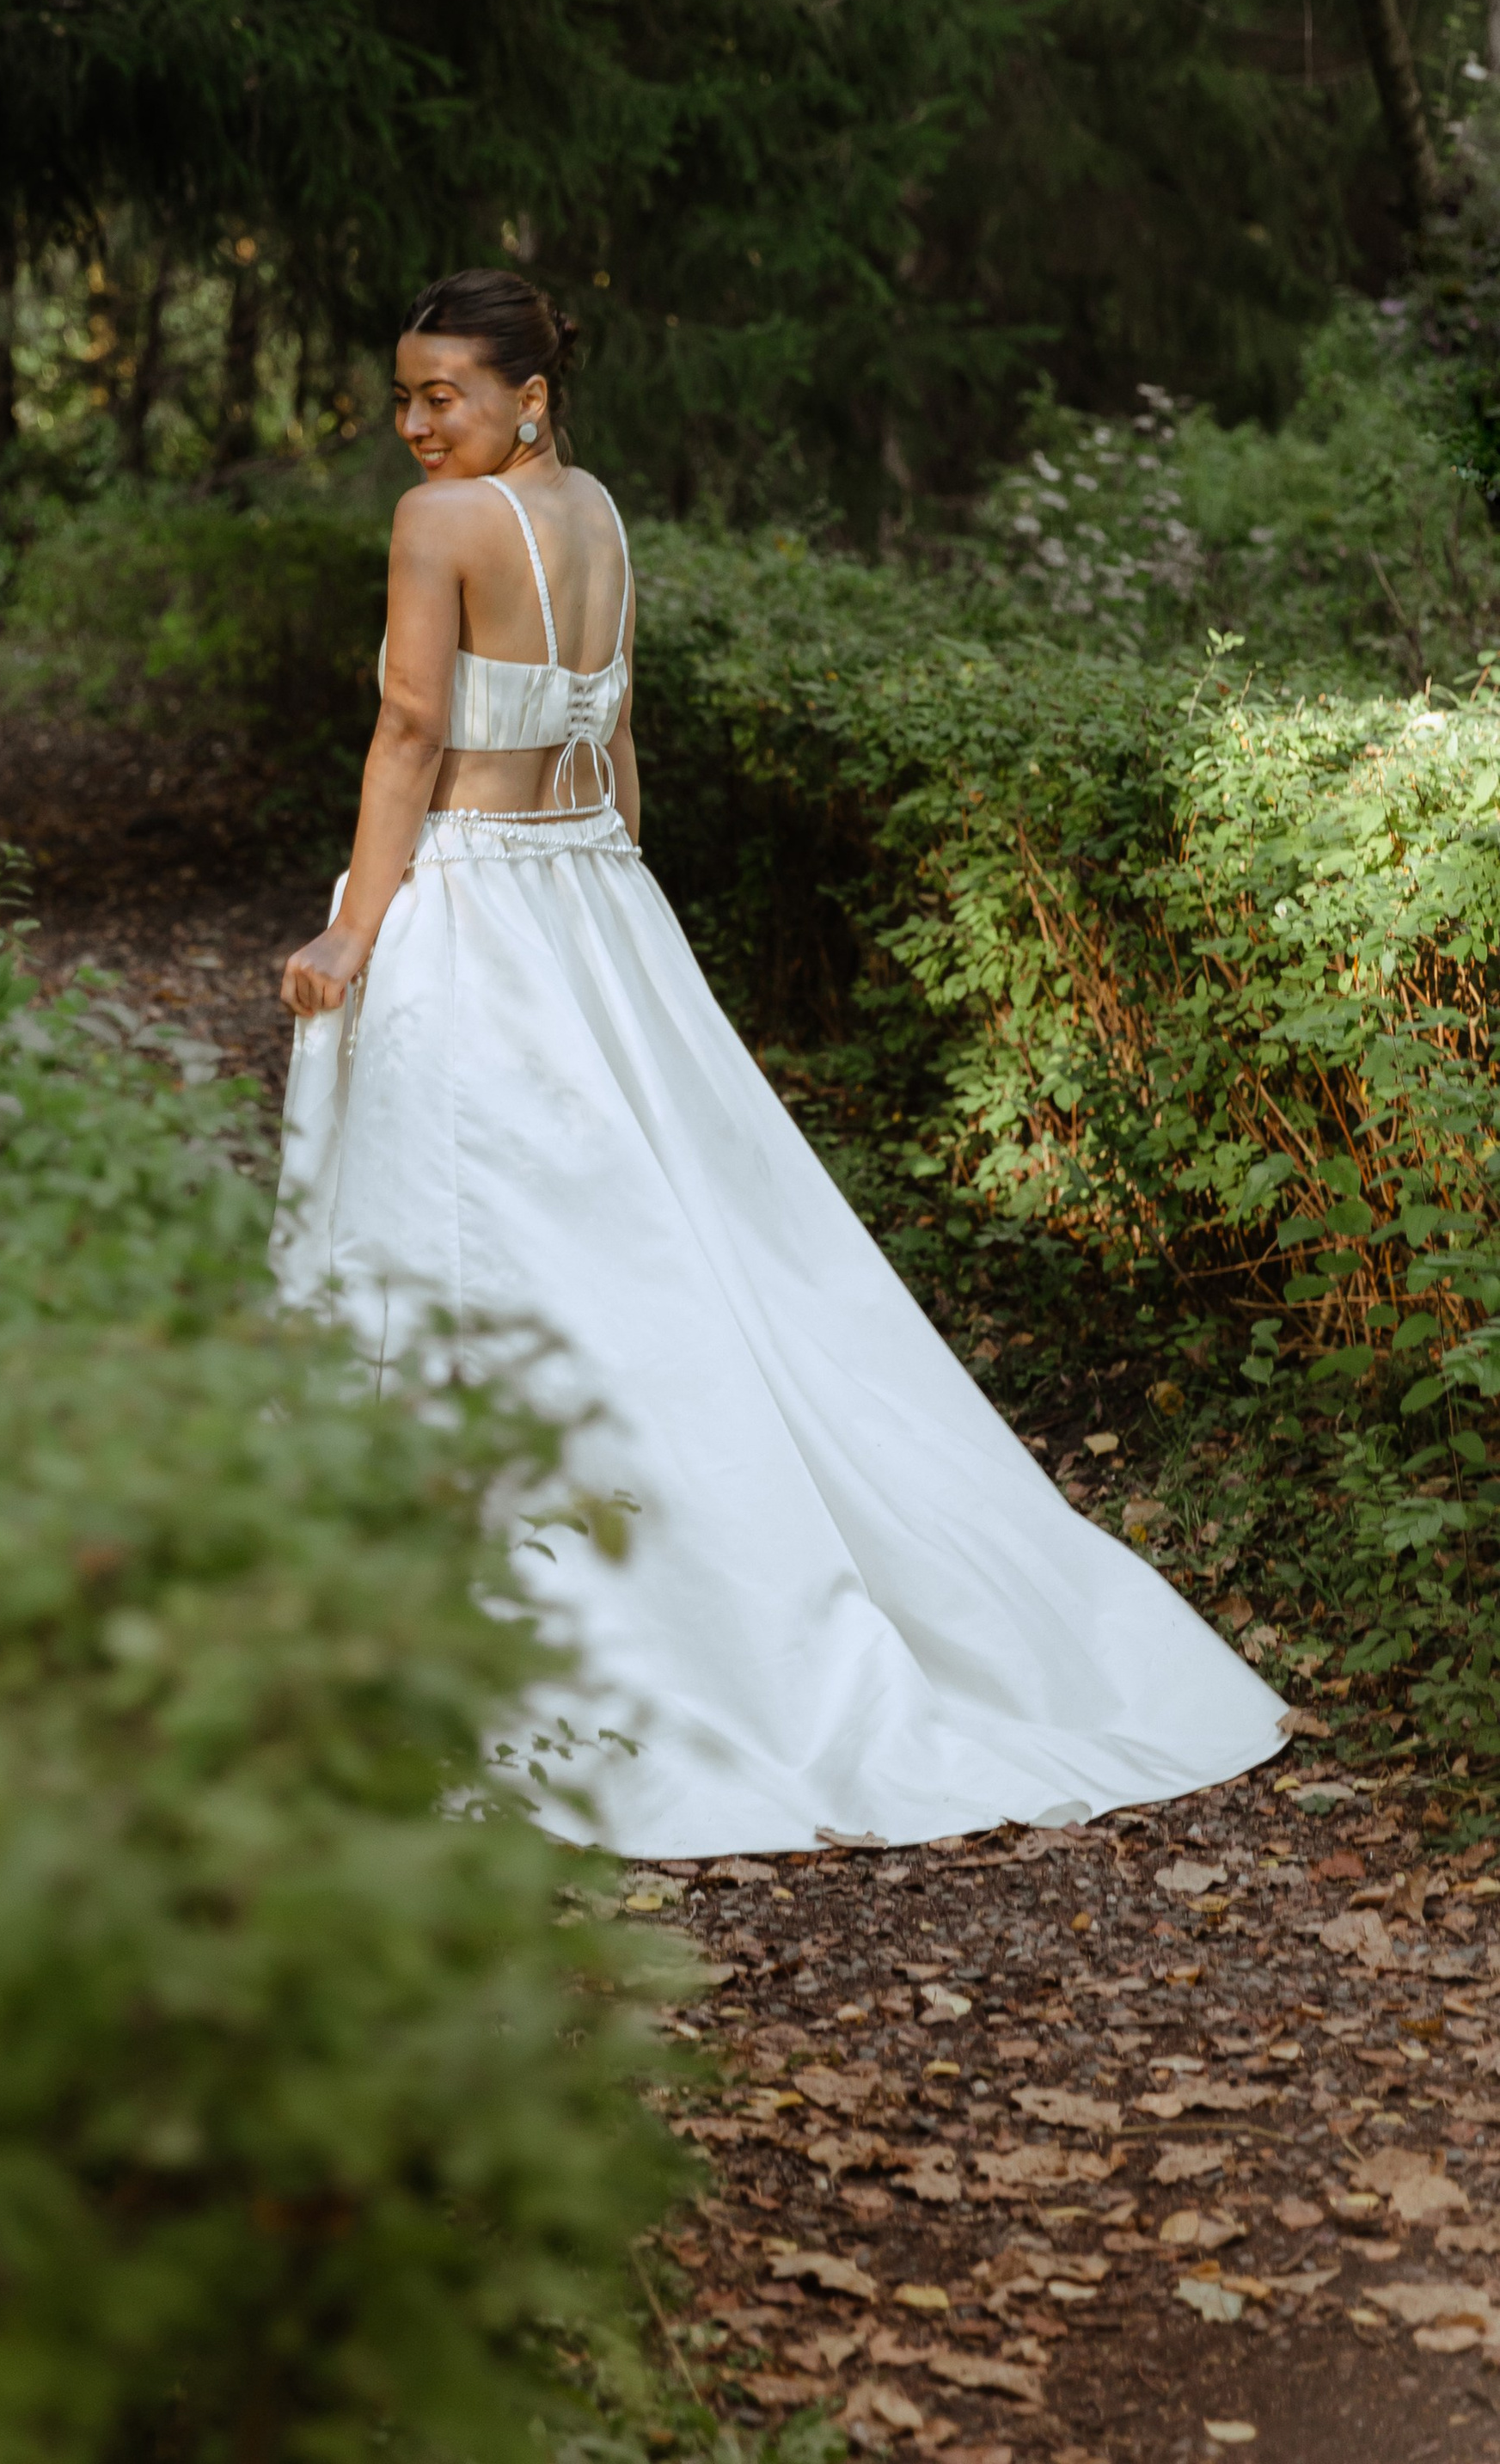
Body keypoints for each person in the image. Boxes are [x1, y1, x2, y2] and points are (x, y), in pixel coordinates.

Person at [272, 268, 1287, 1858]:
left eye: (442, 397)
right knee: (681, 1246)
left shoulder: (444, 528)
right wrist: (614, 902)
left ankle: (489, 1618)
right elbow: (615, 739)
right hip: (597, 898)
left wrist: (355, 932)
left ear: (526, 395)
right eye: (402, 397)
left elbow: (411, 734)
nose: (413, 426)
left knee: (498, 1250)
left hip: (474, 900)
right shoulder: (593, 511)